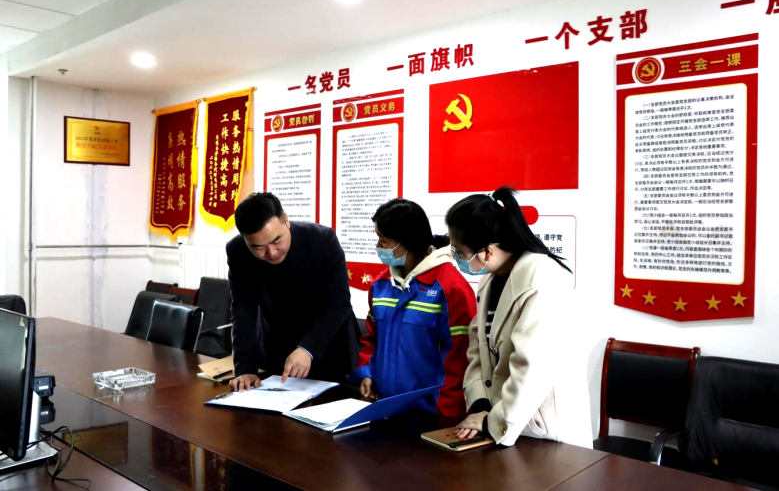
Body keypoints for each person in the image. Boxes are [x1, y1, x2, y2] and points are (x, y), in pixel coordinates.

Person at [447, 187, 592, 448]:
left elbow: (533, 367)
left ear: (487, 251)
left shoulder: (542, 278)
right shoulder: (490, 279)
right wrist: (480, 403)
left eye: (459, 252)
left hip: (544, 430)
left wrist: (492, 421)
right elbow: (478, 348)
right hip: (499, 420)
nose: (455, 258)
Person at [352, 199, 477, 425]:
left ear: (406, 241)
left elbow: (462, 357)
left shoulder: (450, 288)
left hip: (431, 415)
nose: (378, 246)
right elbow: (371, 338)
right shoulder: (381, 286)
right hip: (385, 410)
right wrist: (367, 373)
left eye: (383, 240)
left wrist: (447, 414)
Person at [227, 192, 360, 391]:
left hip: (328, 346)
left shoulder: (322, 240)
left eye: (276, 241)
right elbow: (243, 310)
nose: (271, 253)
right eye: (259, 247)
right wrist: (245, 369)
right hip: (278, 350)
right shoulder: (237, 251)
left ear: (286, 220)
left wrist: (308, 348)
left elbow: (338, 301)